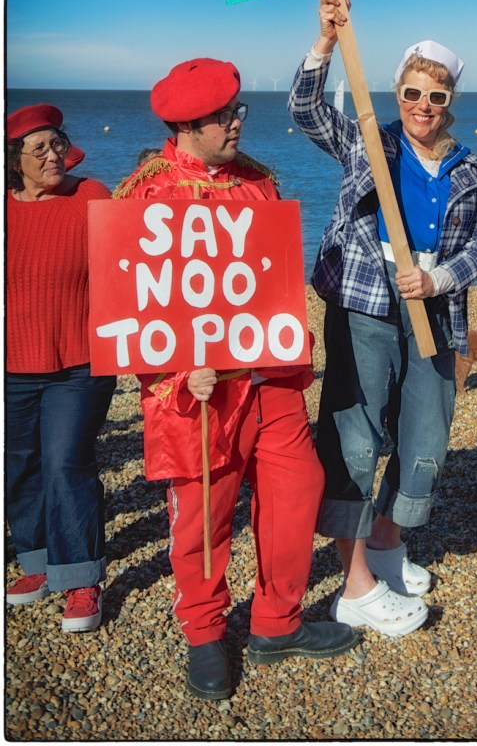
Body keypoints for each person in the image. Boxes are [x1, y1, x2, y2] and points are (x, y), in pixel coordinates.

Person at [113, 57, 357, 700]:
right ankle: (204, 631)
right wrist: (173, 369)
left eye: (235, 112)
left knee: (296, 490)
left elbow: (273, 281)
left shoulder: (257, 181)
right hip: (195, 391)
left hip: (269, 376)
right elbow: (130, 304)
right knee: (202, 512)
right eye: (223, 117)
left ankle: (278, 621)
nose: (236, 123)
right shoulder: (145, 192)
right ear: (186, 126)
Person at [288, 0, 477, 637]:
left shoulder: (468, 169)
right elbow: (304, 108)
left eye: (436, 97)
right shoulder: (369, 141)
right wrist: (326, 39)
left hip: (433, 308)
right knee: (356, 435)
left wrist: (438, 280)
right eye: (412, 93)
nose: (422, 106)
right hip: (364, 303)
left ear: (450, 102)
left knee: (426, 431)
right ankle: (355, 585)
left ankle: (385, 541)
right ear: (397, 92)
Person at [6, 104, 116, 632]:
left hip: (80, 361)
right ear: (14, 160)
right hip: (12, 364)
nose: (53, 155)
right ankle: (35, 559)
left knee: (66, 463)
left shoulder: (92, 195)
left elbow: (131, 260)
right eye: (39, 148)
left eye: (57, 144)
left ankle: (80, 578)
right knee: (19, 463)